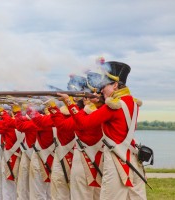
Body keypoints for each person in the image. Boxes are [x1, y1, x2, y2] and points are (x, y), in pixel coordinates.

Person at [58, 61, 146, 200]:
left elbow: (83, 123)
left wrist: (69, 102)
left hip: (116, 161)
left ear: (115, 85)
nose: (101, 90)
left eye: (104, 86)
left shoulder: (113, 106)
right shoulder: (132, 102)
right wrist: (98, 102)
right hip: (131, 158)